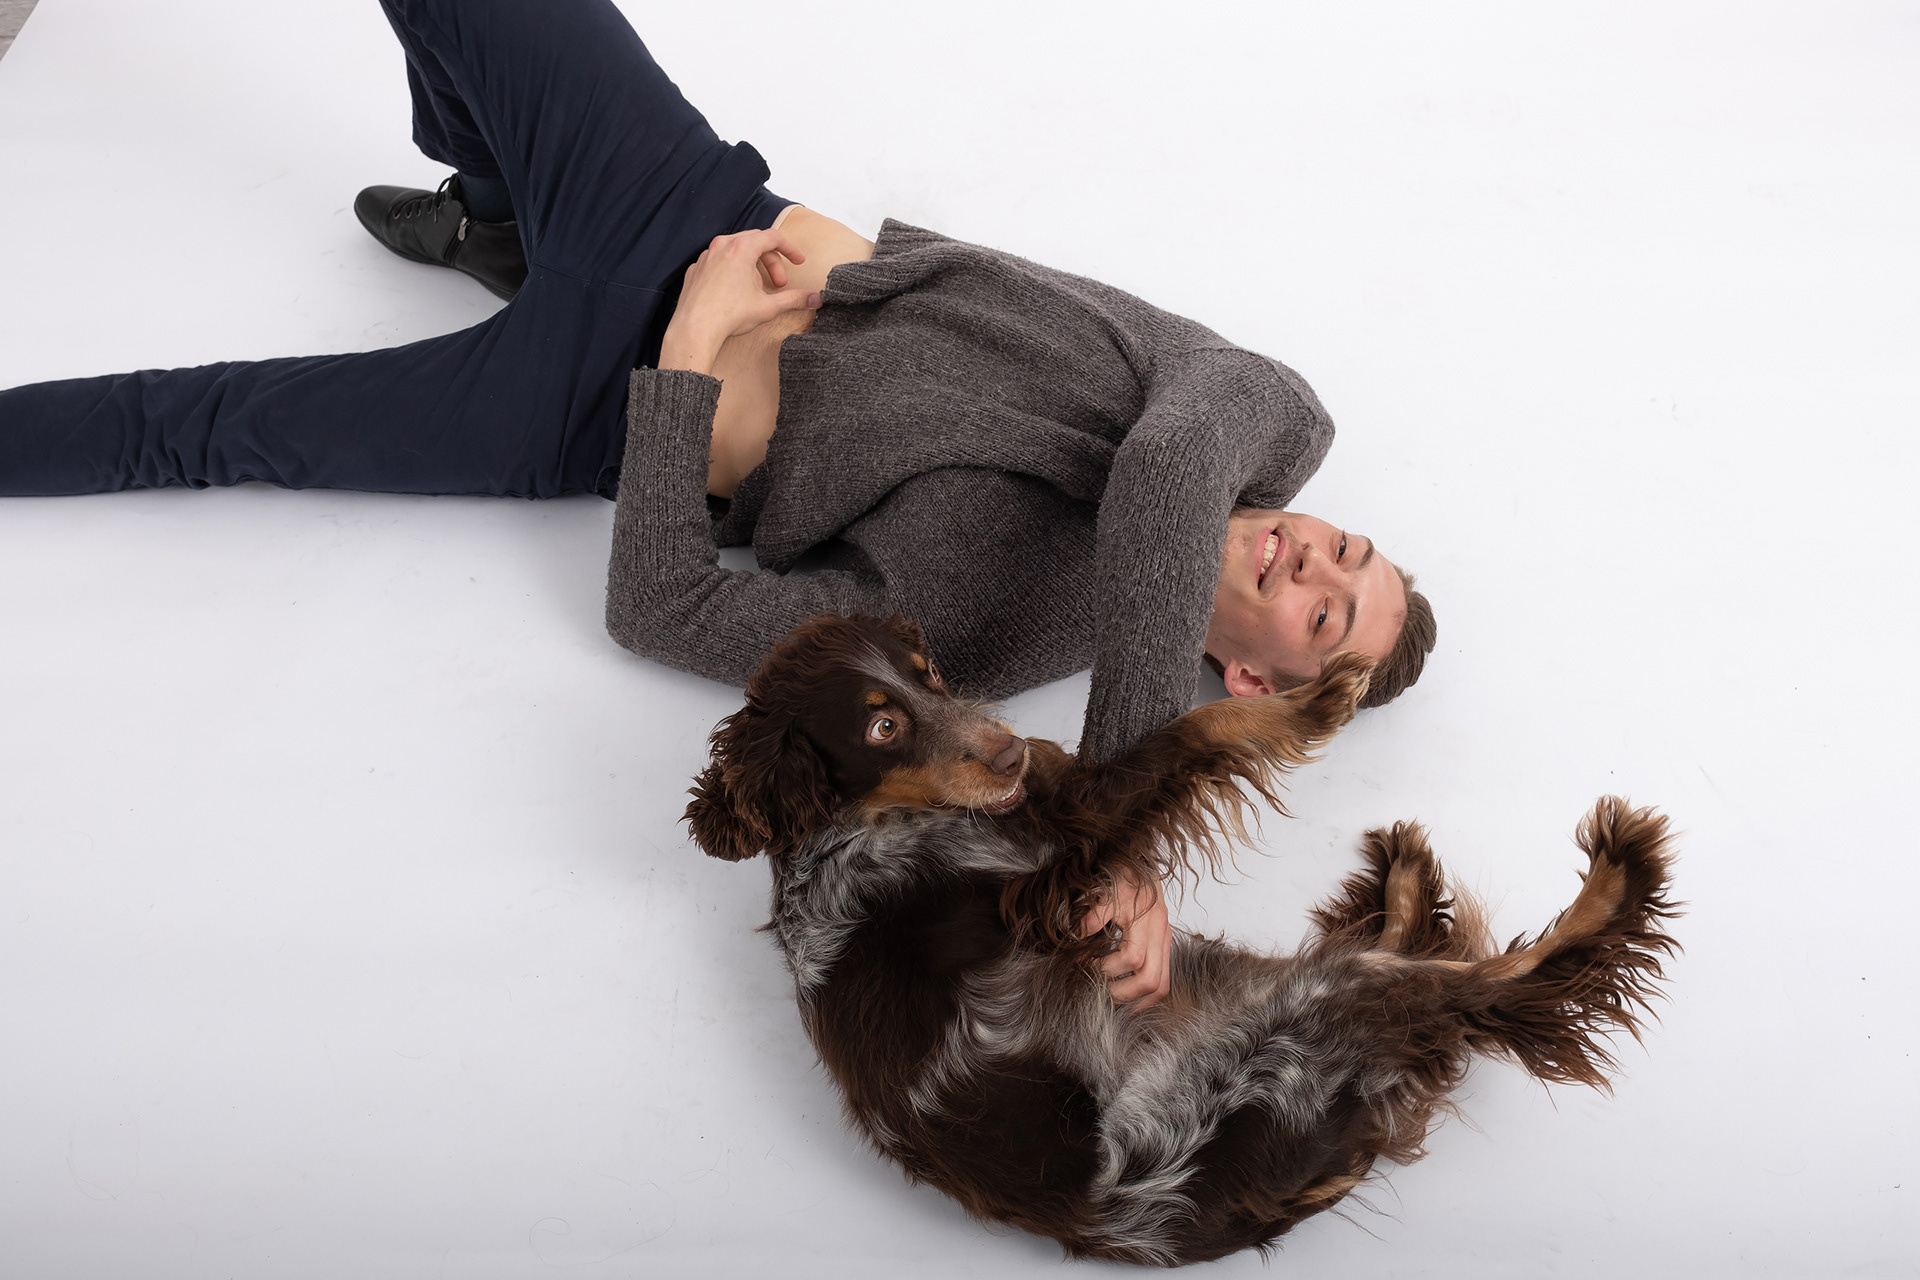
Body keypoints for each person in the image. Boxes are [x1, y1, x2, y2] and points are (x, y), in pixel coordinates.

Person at [0, 0, 1435, 1005]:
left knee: (204, 426)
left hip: (588, 397)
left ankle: (505, 226)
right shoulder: (1265, 415)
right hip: (687, 204)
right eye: (1350, 551)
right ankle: (498, 209)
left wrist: (684, 361)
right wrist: (1117, 835)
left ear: (1254, 682)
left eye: (1327, 613)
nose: (1314, 555)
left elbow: (661, 606)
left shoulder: (981, 643)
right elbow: (1162, 485)